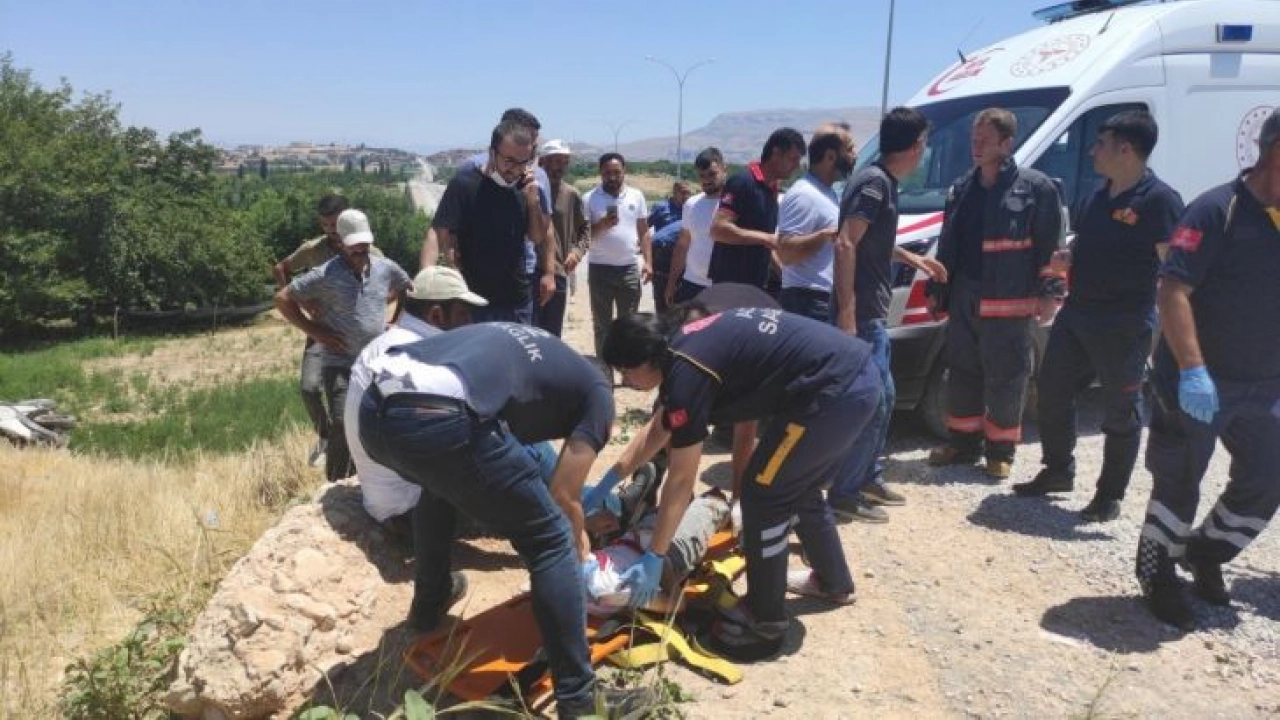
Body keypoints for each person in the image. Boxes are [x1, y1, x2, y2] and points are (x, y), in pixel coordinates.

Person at [355, 323, 645, 717]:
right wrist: (579, 538)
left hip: (375, 410)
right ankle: (579, 700)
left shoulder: (541, 354)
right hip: (438, 415)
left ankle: (429, 602)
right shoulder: (599, 395)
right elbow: (564, 496)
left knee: (439, 486)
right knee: (552, 540)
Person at [598, 308, 880, 661]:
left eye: (626, 372)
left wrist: (655, 555)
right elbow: (659, 429)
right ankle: (832, 581)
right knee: (794, 482)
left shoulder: (688, 374)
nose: (626, 381)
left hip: (833, 392)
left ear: (646, 360)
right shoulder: (681, 350)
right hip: (853, 378)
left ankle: (764, 619)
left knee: (763, 495)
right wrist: (607, 483)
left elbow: (682, 479)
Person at [1134, 109, 1280, 631]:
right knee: (1179, 481)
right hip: (1199, 381)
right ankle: (1156, 576)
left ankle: (1205, 553)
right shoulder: (1216, 210)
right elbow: (1173, 290)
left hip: (1264, 384)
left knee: (1267, 477)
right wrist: (1193, 369)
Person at [1015, 110, 1184, 523]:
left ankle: (1109, 496)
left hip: (1124, 323)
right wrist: (1068, 257)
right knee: (1052, 390)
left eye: (1101, 144)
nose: (1093, 151)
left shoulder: (1160, 200)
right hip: (1078, 314)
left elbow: (1172, 266)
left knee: (1120, 412)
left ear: (1126, 149)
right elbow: (1089, 243)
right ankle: (1058, 470)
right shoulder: (1096, 195)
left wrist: (1173, 329)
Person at [924, 108, 1065, 479]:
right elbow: (948, 244)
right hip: (965, 296)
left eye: (985, 141)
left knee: (1007, 376)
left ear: (1007, 143)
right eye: (974, 140)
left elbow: (1051, 248)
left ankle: (1000, 452)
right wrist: (938, 289)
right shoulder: (962, 188)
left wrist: (1050, 293)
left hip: (1010, 300)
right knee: (962, 371)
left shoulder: (1036, 188)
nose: (976, 147)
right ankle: (963, 445)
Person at [829, 107, 942, 520]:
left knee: (885, 396)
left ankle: (867, 477)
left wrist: (913, 259)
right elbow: (846, 243)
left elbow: (870, 241)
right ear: (915, 146)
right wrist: (847, 312)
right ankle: (845, 493)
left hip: (871, 312)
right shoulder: (875, 183)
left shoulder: (880, 182)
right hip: (861, 316)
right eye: (924, 145)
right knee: (872, 401)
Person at [342, 266, 489, 530]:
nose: (470, 323)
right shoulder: (424, 357)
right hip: (415, 508)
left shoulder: (384, 344)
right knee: (521, 451)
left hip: (387, 501)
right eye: (463, 314)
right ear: (436, 315)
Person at [275, 208, 410, 481]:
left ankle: (376, 475)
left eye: (365, 244)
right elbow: (283, 298)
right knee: (341, 421)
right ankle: (337, 483)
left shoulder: (384, 267)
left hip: (375, 360)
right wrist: (314, 331)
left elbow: (407, 287)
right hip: (340, 361)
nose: (361, 250)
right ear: (343, 242)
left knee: (387, 414)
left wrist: (396, 321)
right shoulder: (326, 273)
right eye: (355, 246)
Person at [422, 108, 556, 321]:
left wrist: (533, 202)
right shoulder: (465, 184)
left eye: (523, 162)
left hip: (517, 302)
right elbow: (440, 231)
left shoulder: (527, 188)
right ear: (492, 152)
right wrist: (428, 279)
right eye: (509, 161)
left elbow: (538, 236)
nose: (515, 170)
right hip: (473, 301)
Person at [272, 194, 355, 466]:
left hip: (355, 332)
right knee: (309, 388)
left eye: (336, 224)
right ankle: (326, 437)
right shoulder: (313, 249)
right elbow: (281, 268)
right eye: (325, 225)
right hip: (321, 331)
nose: (331, 230)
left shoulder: (364, 248)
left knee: (349, 393)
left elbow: (390, 283)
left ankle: (354, 447)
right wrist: (302, 301)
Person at [708, 128, 806, 290]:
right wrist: (766, 238)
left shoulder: (772, 189)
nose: (797, 166)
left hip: (756, 285)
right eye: (793, 159)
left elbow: (765, 243)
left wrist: (784, 275)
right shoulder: (743, 182)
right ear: (776, 154)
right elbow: (718, 230)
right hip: (730, 286)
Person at [775, 124, 851, 323]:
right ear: (830, 157)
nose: (854, 156)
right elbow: (786, 253)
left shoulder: (828, 193)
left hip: (823, 302)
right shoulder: (804, 194)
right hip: (807, 303)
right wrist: (823, 236)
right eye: (849, 150)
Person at [583, 153, 652, 362]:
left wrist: (648, 262)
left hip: (628, 268)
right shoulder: (589, 198)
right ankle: (605, 372)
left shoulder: (636, 196)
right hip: (599, 269)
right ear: (600, 172)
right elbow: (583, 236)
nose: (612, 177)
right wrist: (602, 224)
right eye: (607, 173)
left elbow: (644, 232)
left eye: (616, 172)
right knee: (602, 325)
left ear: (624, 171)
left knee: (629, 325)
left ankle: (627, 369)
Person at [537, 139, 591, 336]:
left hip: (557, 271)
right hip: (528, 272)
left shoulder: (571, 194)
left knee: (551, 334)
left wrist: (576, 253)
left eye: (565, 162)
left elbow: (585, 229)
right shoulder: (528, 190)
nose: (561, 167)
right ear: (542, 162)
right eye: (556, 161)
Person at [665, 148, 727, 307]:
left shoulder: (735, 204)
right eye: (702, 176)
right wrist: (671, 283)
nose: (706, 180)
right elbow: (683, 245)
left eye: (712, 174)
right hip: (691, 284)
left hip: (723, 286)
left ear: (724, 169)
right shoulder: (691, 204)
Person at [648, 181, 691, 315]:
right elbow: (645, 226)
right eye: (683, 193)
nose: (686, 196)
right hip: (663, 255)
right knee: (662, 293)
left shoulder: (689, 208)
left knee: (680, 297)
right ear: (674, 192)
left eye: (688, 193)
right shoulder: (662, 207)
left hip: (683, 256)